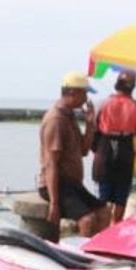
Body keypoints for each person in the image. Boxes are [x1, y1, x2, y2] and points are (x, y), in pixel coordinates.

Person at [39, 71, 110, 240]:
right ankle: (82, 259)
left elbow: (84, 150)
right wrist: (55, 204)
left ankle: (93, 251)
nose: (86, 99)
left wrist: (90, 123)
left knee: (104, 212)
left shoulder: (69, 116)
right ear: (72, 93)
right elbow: (51, 164)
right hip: (57, 184)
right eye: (84, 93)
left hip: (73, 184)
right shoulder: (56, 120)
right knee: (87, 220)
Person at [93, 71, 136, 223]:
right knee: (121, 196)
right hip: (125, 150)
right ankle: (114, 226)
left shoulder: (102, 103)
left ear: (116, 84)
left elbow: (93, 129)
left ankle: (101, 227)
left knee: (103, 194)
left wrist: (96, 149)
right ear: (133, 88)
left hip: (105, 150)